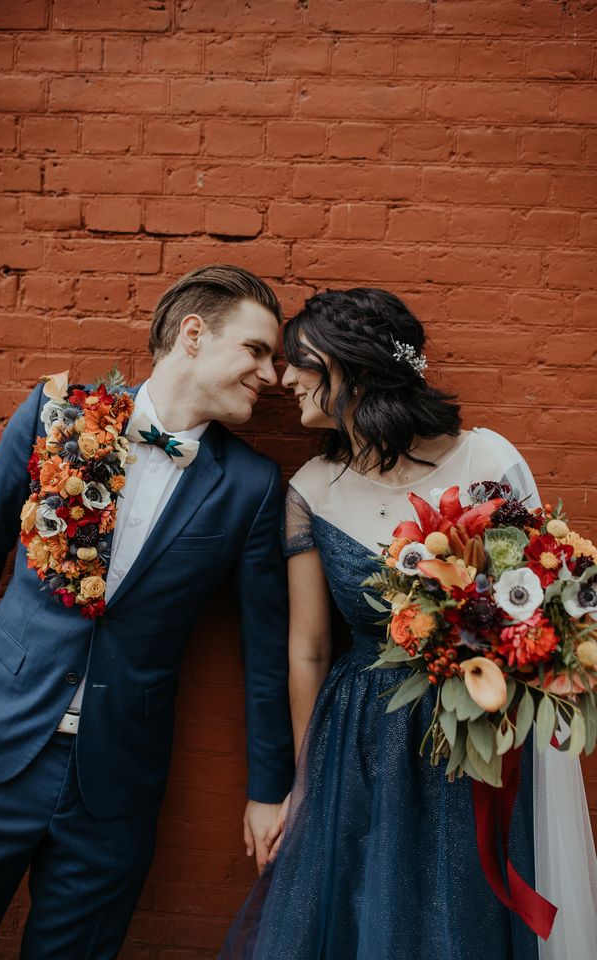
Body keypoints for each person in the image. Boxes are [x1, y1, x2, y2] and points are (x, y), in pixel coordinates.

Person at [220, 288, 597, 960]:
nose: (283, 378)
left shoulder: (488, 461)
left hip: (473, 735)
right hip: (359, 736)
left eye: (299, 361)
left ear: (351, 368)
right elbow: (306, 649)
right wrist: (307, 780)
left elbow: (537, 598)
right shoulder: (310, 489)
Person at [0, 264, 293, 959]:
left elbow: (266, 651)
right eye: (257, 351)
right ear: (194, 335)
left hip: (115, 786)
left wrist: (270, 788)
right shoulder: (54, 417)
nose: (272, 375)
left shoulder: (253, 487)